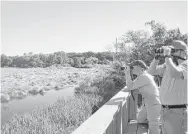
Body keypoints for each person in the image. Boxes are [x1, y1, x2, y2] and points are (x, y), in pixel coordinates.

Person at [148, 40, 187, 134]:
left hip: (178, 111)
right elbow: (151, 72)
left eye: (173, 50)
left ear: (183, 52)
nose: (170, 53)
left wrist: (167, 56)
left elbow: (176, 73)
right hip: (165, 110)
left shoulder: (186, 64)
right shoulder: (168, 65)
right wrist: (156, 58)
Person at [122, 60, 161, 134]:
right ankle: (152, 120)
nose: (131, 69)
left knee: (153, 124)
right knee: (140, 120)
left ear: (139, 67)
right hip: (147, 103)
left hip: (154, 104)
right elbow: (131, 86)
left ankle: (153, 123)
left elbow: (130, 86)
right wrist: (129, 87)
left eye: (133, 67)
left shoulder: (144, 76)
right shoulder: (141, 76)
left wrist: (127, 74)